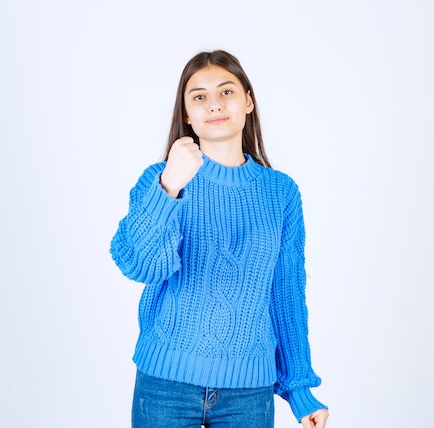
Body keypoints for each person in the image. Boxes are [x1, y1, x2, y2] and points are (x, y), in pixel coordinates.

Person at [110, 50, 329, 428]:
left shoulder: (281, 193)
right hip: (166, 382)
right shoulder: (160, 180)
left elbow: (286, 292)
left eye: (226, 92)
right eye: (199, 96)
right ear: (186, 115)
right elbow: (140, 266)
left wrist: (299, 388)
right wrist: (169, 188)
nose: (214, 104)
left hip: (249, 391)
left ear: (248, 101)